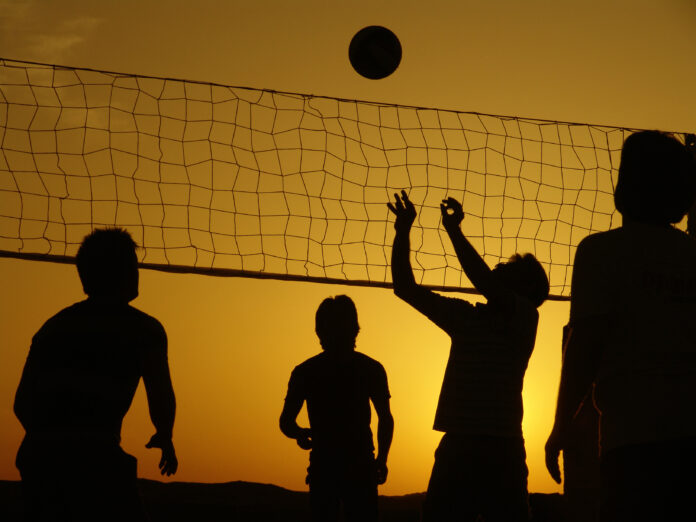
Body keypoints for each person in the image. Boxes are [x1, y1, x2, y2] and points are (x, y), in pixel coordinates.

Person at [545, 130, 696, 522]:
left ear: (624, 185)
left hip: (634, 440)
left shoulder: (600, 252)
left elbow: (584, 348)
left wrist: (561, 426)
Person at [388, 191, 549, 522]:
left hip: (500, 446)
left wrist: (453, 230)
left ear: (525, 288)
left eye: (509, 267)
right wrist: (403, 231)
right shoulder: (466, 316)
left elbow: (484, 280)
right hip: (458, 444)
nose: (499, 265)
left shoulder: (525, 316)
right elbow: (404, 287)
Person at [14, 227, 178, 522]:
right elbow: (160, 392)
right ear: (126, 271)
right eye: (133, 264)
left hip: (38, 459)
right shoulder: (144, 330)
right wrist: (165, 434)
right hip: (96, 459)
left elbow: (21, 403)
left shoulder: (52, 328)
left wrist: (51, 438)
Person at [279, 295, 394, 522]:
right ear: (355, 329)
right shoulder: (370, 369)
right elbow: (386, 418)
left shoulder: (307, 371)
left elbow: (285, 422)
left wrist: (299, 433)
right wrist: (381, 459)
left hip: (341, 466)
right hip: (342, 466)